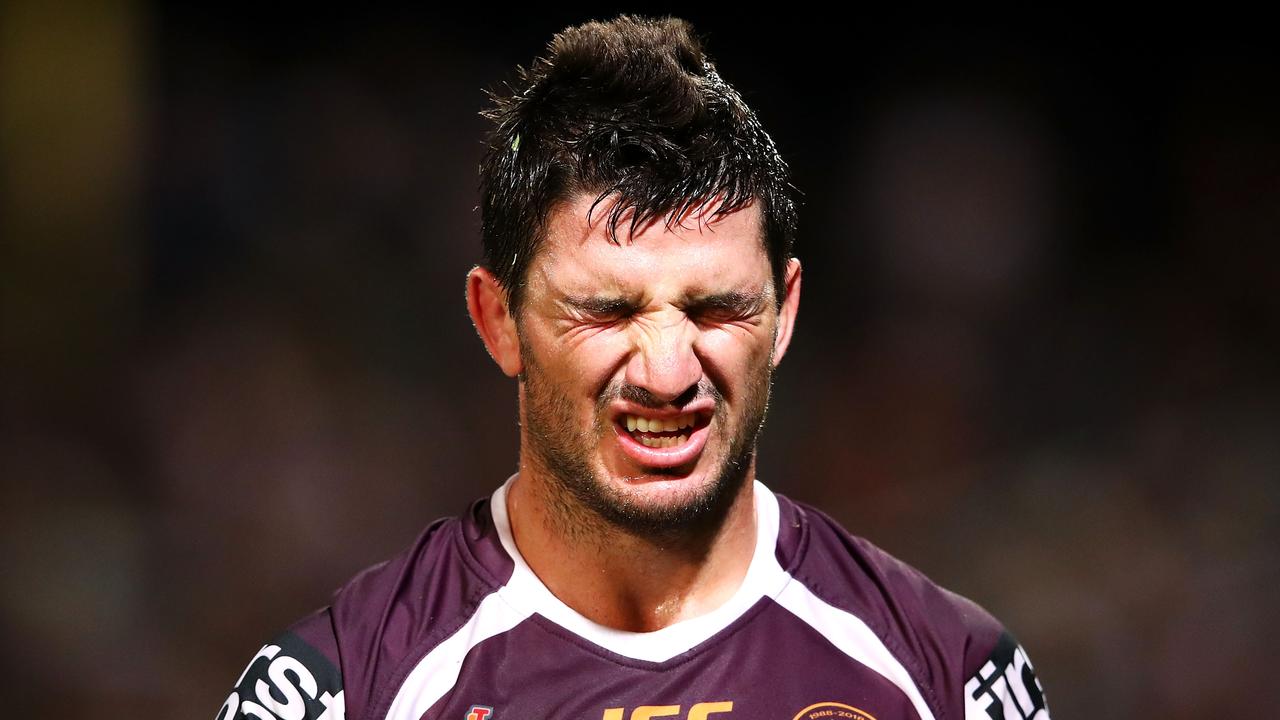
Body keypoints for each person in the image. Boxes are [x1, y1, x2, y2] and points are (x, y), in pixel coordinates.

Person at [215, 15, 1049, 720]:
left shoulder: (949, 676)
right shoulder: (346, 689)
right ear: (496, 321)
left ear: (785, 312)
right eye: (607, 311)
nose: (666, 371)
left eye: (716, 308)